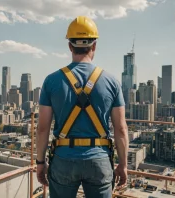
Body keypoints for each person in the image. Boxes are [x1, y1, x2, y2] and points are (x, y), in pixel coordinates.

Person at [36, 16, 129, 198]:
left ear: (70, 46)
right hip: (99, 160)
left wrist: (40, 162)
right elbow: (121, 128)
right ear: (94, 45)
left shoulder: (51, 80)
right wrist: (123, 165)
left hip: (63, 159)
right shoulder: (111, 82)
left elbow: (42, 128)